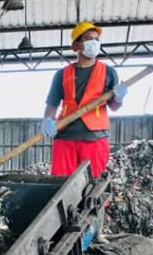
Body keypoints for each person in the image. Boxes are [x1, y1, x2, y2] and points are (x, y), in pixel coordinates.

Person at [42, 22, 128, 177]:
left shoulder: (108, 72)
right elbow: (52, 104)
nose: (95, 43)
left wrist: (119, 99)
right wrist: (48, 119)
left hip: (95, 140)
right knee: (60, 188)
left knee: (93, 189)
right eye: (89, 39)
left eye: (97, 39)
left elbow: (113, 107)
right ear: (78, 45)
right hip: (65, 138)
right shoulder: (62, 74)